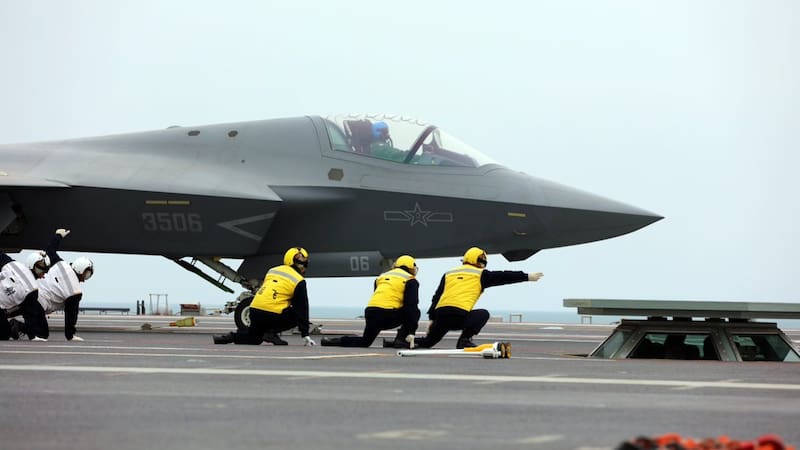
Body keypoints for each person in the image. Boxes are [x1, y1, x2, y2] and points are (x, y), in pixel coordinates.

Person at [417, 247, 543, 349]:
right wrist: (527, 276)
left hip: (441, 316)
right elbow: (503, 276)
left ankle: (408, 339)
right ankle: (465, 340)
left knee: (428, 342)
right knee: (483, 314)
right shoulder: (480, 274)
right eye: (482, 261)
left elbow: (437, 296)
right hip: (459, 316)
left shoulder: (449, 274)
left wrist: (432, 319)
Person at [213, 247, 317, 346]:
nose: (304, 265)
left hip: (254, 310)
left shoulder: (272, 270)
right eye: (302, 262)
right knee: (297, 313)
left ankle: (228, 337)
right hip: (272, 315)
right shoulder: (299, 280)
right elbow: (302, 308)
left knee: (254, 338)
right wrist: (305, 334)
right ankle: (271, 332)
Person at [321, 255, 420, 348]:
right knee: (414, 312)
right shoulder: (410, 280)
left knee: (365, 341)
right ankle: (402, 340)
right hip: (388, 315)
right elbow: (411, 306)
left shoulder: (381, 277)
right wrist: (411, 332)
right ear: (411, 268)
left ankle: (332, 341)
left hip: (371, 313)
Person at [35, 229, 94, 342]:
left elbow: (49, 250)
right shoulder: (75, 290)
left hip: (30, 291)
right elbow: (71, 314)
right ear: (81, 269)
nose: (85, 280)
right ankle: (17, 327)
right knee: (42, 333)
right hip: (39, 303)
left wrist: (58, 235)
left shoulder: (61, 264)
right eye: (86, 275)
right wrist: (70, 335)